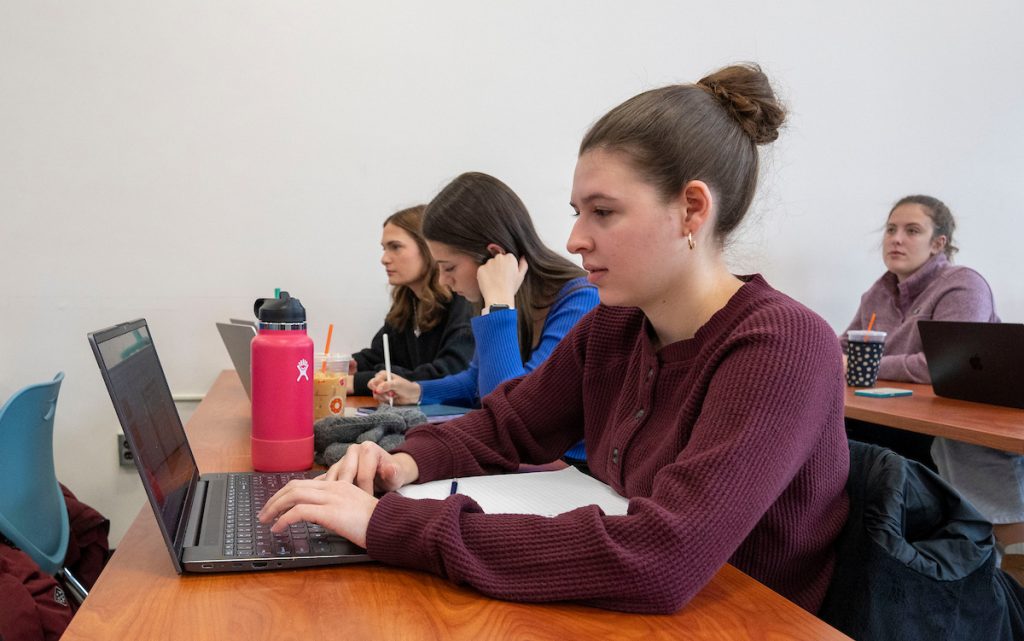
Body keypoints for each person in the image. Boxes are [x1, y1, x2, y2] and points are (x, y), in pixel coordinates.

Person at [259, 64, 849, 614]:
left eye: (603, 212)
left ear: (692, 209)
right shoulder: (616, 327)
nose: (574, 239)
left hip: (746, 619)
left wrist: (389, 526)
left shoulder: (782, 346)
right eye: (576, 211)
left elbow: (659, 558)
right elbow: (507, 426)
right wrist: (403, 464)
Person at [840, 196, 1024, 563]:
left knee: (953, 445)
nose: (896, 239)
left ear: (938, 243)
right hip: (900, 415)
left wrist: (869, 365)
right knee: (837, 427)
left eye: (912, 231)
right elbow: (842, 347)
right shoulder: (878, 291)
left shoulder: (962, 285)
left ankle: (1007, 549)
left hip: (966, 418)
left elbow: (946, 368)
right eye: (891, 230)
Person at [366, 174, 599, 444]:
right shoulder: (503, 300)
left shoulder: (580, 302)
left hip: (571, 469)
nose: (443, 280)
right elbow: (475, 380)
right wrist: (417, 391)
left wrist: (499, 303)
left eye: (449, 267)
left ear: (494, 256)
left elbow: (511, 417)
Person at [348, 205, 475, 396]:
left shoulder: (464, 298)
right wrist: (348, 366)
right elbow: (379, 355)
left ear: (429, 249)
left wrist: (359, 382)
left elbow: (450, 372)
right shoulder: (407, 303)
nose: (384, 259)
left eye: (395, 247)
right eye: (384, 249)